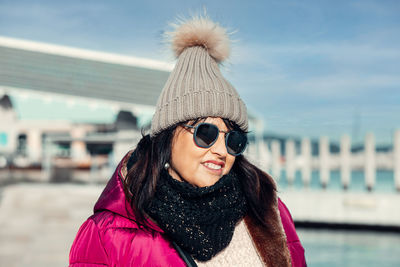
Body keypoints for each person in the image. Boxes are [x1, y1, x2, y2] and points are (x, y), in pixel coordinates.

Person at [69, 16, 306, 267]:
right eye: (206, 133)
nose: (220, 151)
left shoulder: (269, 211)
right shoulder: (106, 234)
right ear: (169, 134)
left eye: (233, 139)